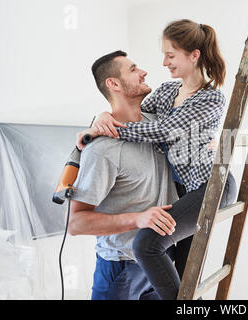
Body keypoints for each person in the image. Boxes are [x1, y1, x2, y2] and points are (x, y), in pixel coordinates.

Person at [77, 19, 237, 300]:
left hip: (205, 190)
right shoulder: (163, 94)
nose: (160, 64)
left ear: (194, 55)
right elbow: (134, 111)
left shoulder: (208, 100)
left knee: (169, 264)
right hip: (124, 263)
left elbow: (163, 129)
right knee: (174, 266)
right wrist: (100, 119)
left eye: (170, 55)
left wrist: (113, 127)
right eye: (134, 69)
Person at [69, 50, 179, 300]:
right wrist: (139, 219)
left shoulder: (159, 126)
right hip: (121, 269)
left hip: (161, 261)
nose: (143, 72)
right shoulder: (103, 149)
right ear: (114, 84)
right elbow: (76, 223)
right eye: (133, 69)